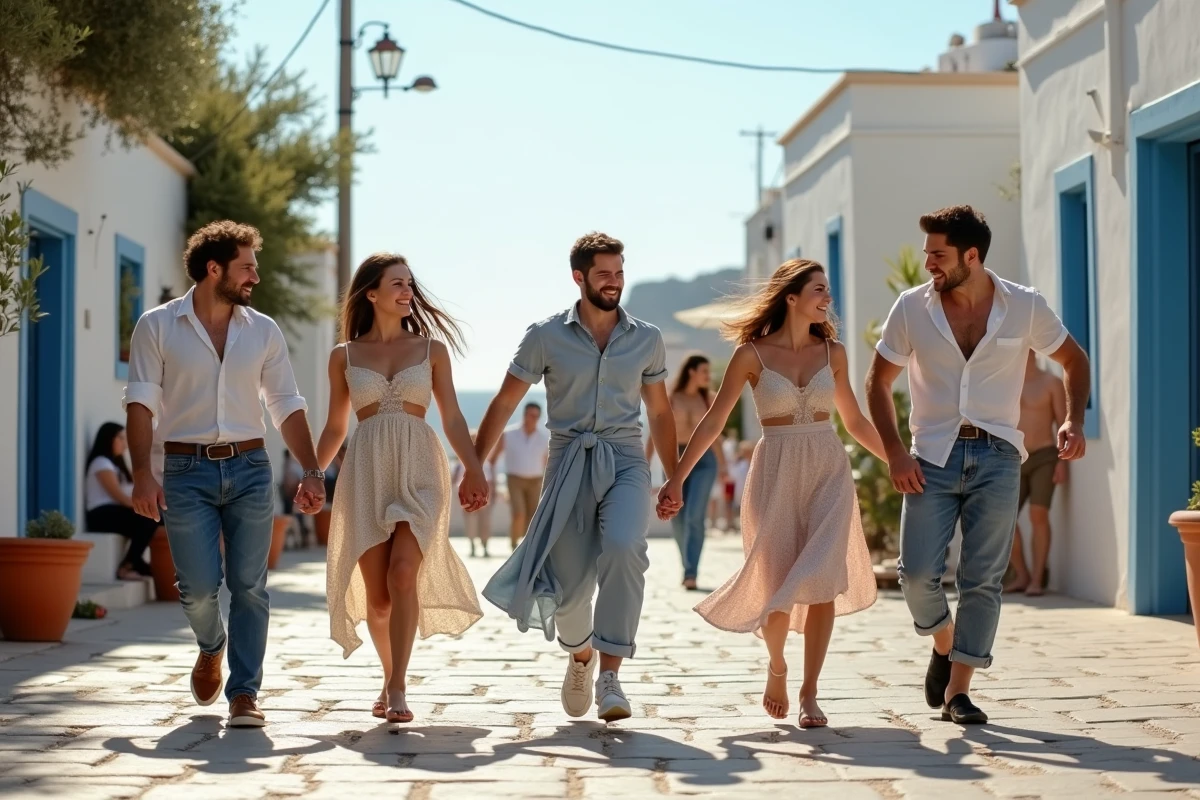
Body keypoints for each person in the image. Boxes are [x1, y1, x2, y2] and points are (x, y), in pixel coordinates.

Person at [865, 205, 1090, 725]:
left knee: (983, 578)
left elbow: (1074, 360)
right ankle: (944, 645)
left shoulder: (1024, 306)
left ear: (972, 255)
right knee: (917, 573)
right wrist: (896, 452)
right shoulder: (911, 308)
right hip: (931, 456)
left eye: (938, 255)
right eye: (926, 255)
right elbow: (878, 383)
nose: (929, 265)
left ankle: (958, 692)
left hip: (999, 455)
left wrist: (1073, 421)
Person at [659, 259, 884, 728]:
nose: (828, 299)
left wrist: (899, 461)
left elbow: (856, 422)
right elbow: (714, 421)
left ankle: (809, 692)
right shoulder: (751, 355)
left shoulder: (834, 353)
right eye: (819, 290)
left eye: (828, 291)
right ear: (791, 298)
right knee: (778, 582)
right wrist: (678, 475)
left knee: (822, 577)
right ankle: (777, 666)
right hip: (774, 473)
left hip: (827, 468)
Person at [125, 220, 326, 729]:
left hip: (251, 466)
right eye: (247, 267)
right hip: (185, 469)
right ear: (214, 269)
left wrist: (312, 470)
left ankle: (244, 693)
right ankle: (211, 646)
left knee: (251, 585)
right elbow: (141, 404)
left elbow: (286, 404)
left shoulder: (263, 330)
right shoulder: (157, 325)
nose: (255, 276)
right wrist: (143, 475)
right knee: (196, 588)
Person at [474, 231, 680, 723]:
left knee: (627, 547)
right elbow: (504, 403)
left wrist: (673, 477)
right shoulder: (545, 336)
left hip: (627, 459)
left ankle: (611, 673)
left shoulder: (647, 338)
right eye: (604, 273)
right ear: (580, 277)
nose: (614, 282)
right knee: (568, 592)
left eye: (620, 272)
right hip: (568, 464)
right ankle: (581, 657)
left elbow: (662, 414)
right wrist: (474, 464)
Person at [316, 252, 485, 726]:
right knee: (379, 599)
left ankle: (397, 684)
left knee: (405, 571)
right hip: (366, 470)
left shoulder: (431, 351)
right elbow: (334, 427)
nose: (408, 291)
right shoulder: (343, 357)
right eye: (397, 283)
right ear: (371, 293)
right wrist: (313, 473)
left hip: (420, 468)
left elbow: (451, 416)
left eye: (410, 283)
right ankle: (387, 673)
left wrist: (472, 468)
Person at [648, 354, 727, 590]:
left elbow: (715, 436)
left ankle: (691, 571)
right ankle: (687, 565)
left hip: (704, 461)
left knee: (694, 515)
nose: (708, 376)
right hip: (674, 458)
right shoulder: (671, 398)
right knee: (679, 517)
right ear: (691, 371)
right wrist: (645, 461)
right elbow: (657, 430)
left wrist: (723, 466)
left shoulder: (709, 398)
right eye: (704, 371)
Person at [1006, 351, 1069, 596]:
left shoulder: (1051, 383)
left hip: (1045, 456)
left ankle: (1037, 579)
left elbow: (1063, 423)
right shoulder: (1007, 383)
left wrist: (1063, 463)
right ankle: (1022, 574)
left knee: (1038, 515)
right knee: (1005, 520)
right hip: (1014, 457)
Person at [84, 422, 159, 580]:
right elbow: (119, 497)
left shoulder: (117, 466)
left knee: (158, 518)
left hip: (114, 512)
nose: (124, 444)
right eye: (121, 438)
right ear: (109, 439)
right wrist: (146, 507)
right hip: (101, 515)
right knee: (149, 517)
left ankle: (136, 561)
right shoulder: (100, 463)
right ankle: (128, 565)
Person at [488, 402, 550, 550]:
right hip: (514, 479)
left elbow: (547, 463)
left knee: (533, 516)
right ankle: (514, 545)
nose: (532, 418)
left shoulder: (544, 438)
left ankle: (527, 546)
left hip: (536, 481)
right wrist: (493, 483)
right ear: (524, 415)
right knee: (518, 514)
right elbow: (493, 459)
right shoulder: (509, 434)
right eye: (530, 415)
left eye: (535, 416)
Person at [455, 431, 497, 557]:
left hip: (484, 498)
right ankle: (473, 545)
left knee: (484, 523)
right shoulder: (461, 463)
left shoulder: (486, 463)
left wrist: (491, 496)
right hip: (468, 497)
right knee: (471, 523)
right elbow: (458, 481)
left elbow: (490, 481)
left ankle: (484, 546)